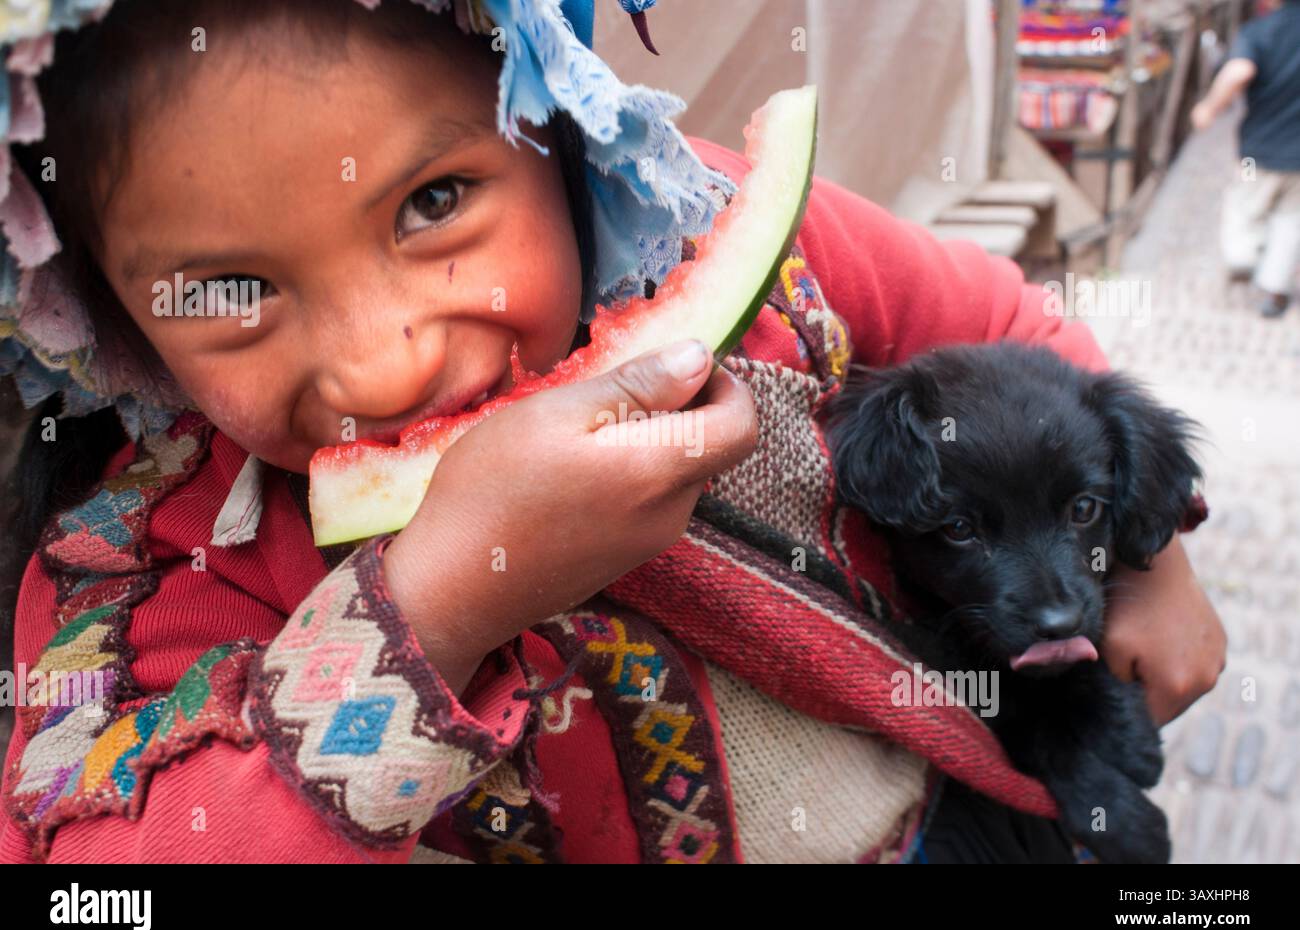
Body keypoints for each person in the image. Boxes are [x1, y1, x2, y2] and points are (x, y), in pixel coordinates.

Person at [0, 0, 1225, 863]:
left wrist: (1152, 553)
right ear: (106, 317)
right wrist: (427, 611)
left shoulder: (724, 228)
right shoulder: (146, 572)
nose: (389, 359)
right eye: (229, 291)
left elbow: (999, 313)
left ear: (566, 132)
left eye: (433, 201)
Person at [1192, 0, 1300, 318]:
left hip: (1258, 153)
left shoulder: (1260, 32)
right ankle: (1273, 287)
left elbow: (1239, 70)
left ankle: (1244, 257)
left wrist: (1209, 108)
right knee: (1290, 218)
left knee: (1245, 201)